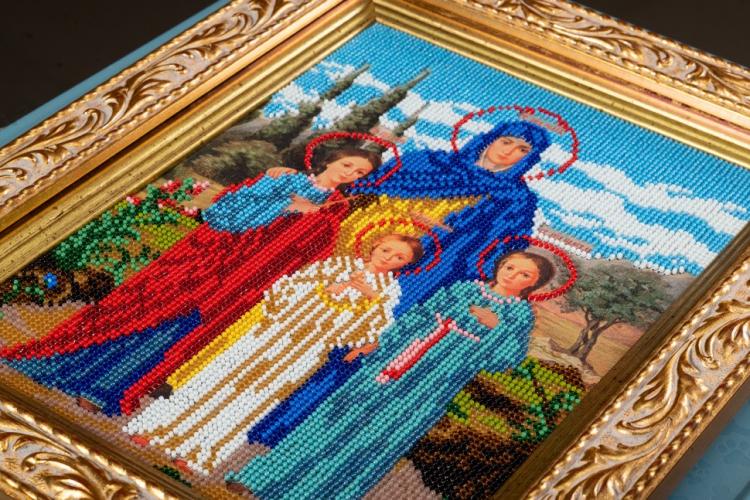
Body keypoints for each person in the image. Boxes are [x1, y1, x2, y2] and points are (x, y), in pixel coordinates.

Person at [1, 148, 380, 417]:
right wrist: (286, 207)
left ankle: (103, 389)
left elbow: (309, 253)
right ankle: (61, 362)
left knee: (178, 331)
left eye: (359, 173)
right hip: (207, 259)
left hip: (243, 280)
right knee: (144, 308)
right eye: (347, 164)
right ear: (329, 159)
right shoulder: (284, 179)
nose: (350, 174)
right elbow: (225, 211)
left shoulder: (336, 208)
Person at [256, 119, 552, 446]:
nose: (509, 151)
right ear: (491, 138)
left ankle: (287, 426)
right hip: (351, 248)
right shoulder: (427, 162)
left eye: (522, 149)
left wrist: (444, 232)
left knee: (358, 340)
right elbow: (360, 189)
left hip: (423, 276)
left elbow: (496, 253)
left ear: (529, 158)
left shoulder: (516, 200)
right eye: (507, 141)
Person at [227, 250, 554, 498]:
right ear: (499, 266)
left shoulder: (518, 316)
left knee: (376, 438)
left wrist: (495, 327)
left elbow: (504, 359)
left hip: (431, 385)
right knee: (331, 417)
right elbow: (416, 318)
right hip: (391, 364)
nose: (513, 275)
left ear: (533, 284)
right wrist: (378, 344)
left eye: (524, 274)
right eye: (510, 267)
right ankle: (260, 478)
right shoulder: (463, 289)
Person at [123, 233, 423, 475]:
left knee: (257, 397)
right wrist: (335, 287)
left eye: (399, 258)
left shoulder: (388, 292)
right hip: (274, 332)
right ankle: (156, 429)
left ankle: (200, 452)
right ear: (375, 245)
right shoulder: (336, 265)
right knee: (220, 375)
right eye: (387, 250)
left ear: (405, 265)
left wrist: (371, 298)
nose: (389, 258)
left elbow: (374, 330)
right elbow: (287, 287)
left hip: (309, 348)